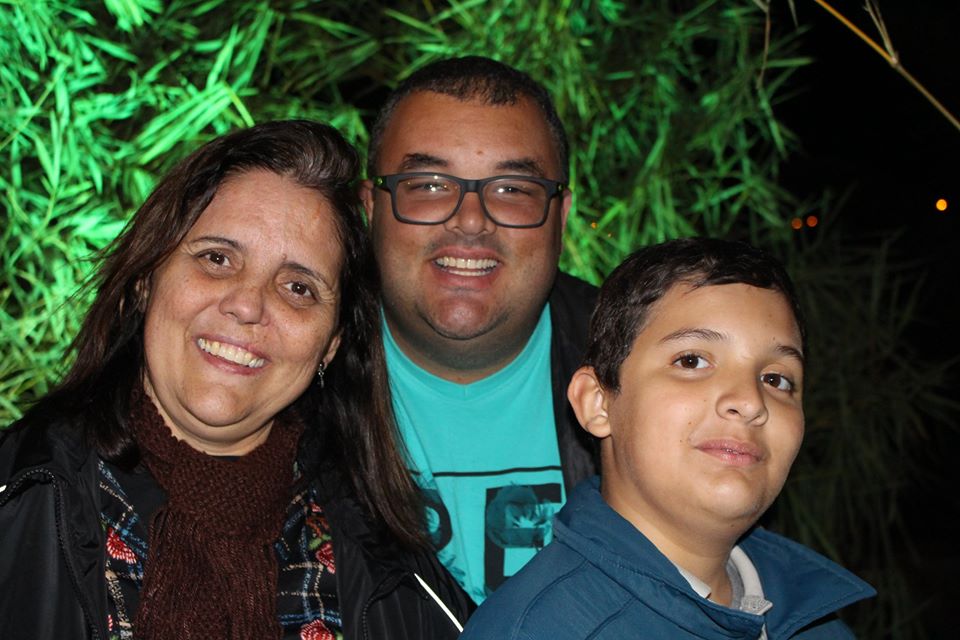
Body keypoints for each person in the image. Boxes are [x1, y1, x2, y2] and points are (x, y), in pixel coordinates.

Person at [0, 120, 471, 640]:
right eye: (217, 259)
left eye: (298, 287)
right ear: (144, 281)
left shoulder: (397, 577)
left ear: (332, 344)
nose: (248, 304)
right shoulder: (19, 497)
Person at [460, 237, 876, 638]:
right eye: (692, 361)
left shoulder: (815, 624)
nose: (751, 401)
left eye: (776, 379)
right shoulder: (536, 630)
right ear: (598, 403)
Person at [360, 56, 598, 604]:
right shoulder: (295, 381)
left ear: (560, 217)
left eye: (513, 189)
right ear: (370, 210)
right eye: (428, 185)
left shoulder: (646, 373)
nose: (471, 220)